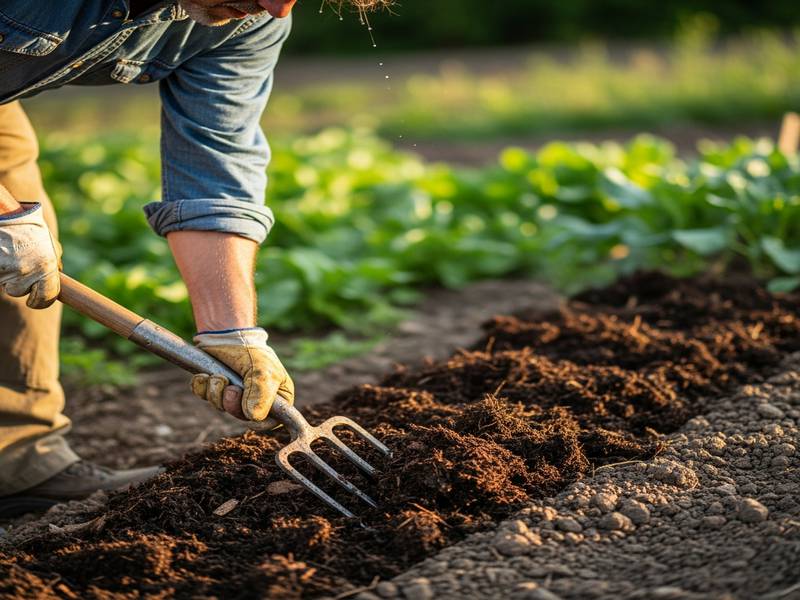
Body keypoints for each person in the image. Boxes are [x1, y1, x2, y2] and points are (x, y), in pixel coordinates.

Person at [0, 0, 301, 517]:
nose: (278, 7)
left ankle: (16, 458)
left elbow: (215, 166)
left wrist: (232, 333)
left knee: (25, 240)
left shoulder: (253, 17)